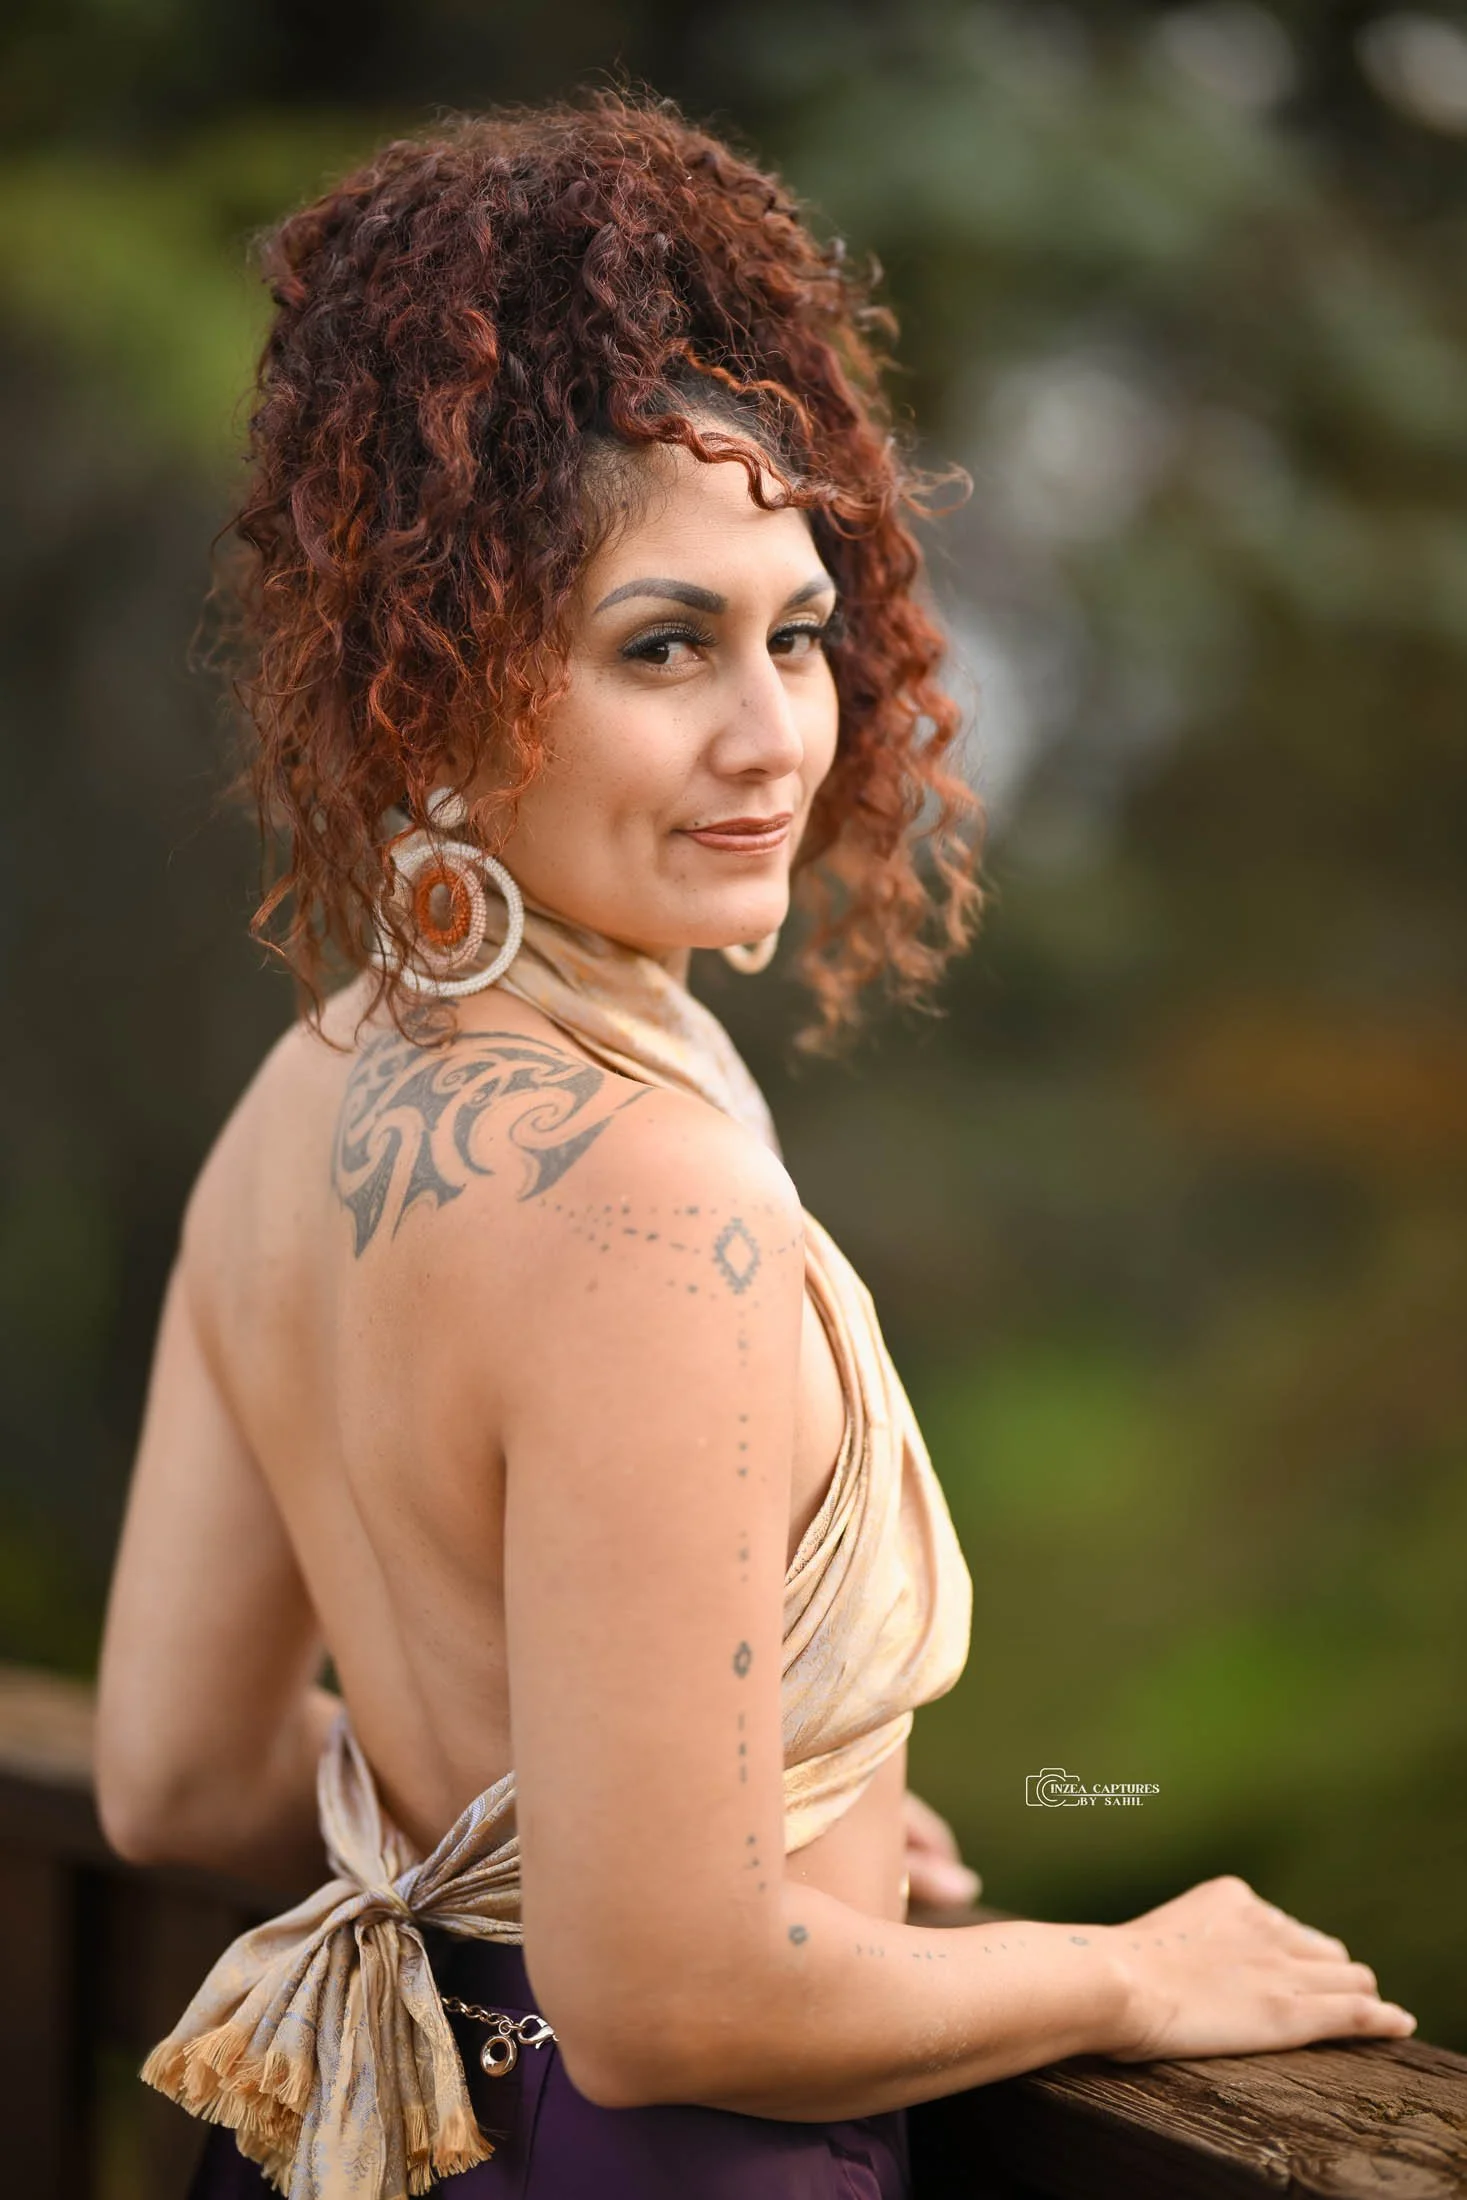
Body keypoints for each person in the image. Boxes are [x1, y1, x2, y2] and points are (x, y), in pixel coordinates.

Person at [93, 88, 1417, 2200]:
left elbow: (176, 1775)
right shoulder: (648, 1206)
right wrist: (1120, 1964)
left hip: (379, 2136)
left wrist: (635, 1815)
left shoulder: (305, 1093)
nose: (771, 732)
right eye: (661, 647)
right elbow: (667, 2003)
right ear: (435, 694)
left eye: (794, 630)